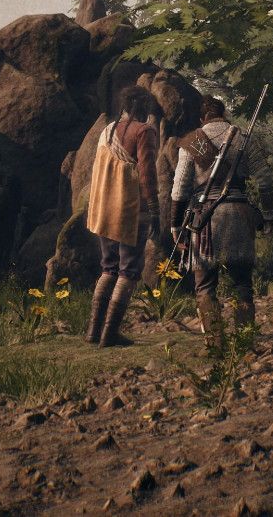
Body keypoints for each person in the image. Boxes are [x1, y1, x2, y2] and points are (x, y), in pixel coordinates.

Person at [171, 96, 259, 336]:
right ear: (224, 114)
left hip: (206, 217)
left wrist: (176, 227)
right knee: (243, 284)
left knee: (205, 286)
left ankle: (215, 341)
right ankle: (245, 339)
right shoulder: (243, 138)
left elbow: (179, 190)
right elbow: (264, 180)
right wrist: (267, 218)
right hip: (240, 213)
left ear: (203, 118)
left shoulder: (192, 141)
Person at [84, 84, 160, 346]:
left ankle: (93, 332)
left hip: (105, 211)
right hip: (130, 211)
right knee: (128, 271)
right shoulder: (144, 132)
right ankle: (110, 333)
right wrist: (154, 209)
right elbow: (148, 175)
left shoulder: (106, 131)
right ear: (143, 107)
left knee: (108, 267)